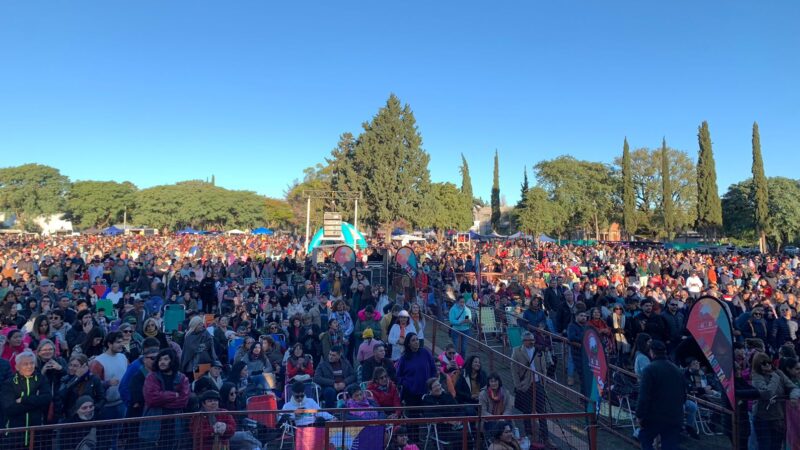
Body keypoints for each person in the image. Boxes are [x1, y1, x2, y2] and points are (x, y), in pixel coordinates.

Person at [635, 340, 685, 450]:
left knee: (644, 438)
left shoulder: (650, 369)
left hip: (655, 416)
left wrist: (639, 415)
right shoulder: (677, 370)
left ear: (651, 352)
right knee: (670, 445)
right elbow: (683, 395)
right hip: (674, 415)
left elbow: (644, 395)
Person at [0, 351, 52, 448]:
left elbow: (47, 398)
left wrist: (23, 400)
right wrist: (36, 402)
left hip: (36, 433)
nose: (29, 366)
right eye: (25, 364)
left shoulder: (41, 379)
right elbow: (9, 409)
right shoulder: (9, 383)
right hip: (14, 434)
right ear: (17, 367)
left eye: (32, 363)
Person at [750, 351, 800, 450]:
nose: (768, 365)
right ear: (758, 365)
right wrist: (775, 377)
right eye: (764, 363)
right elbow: (768, 393)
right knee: (765, 446)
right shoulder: (757, 376)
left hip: (778, 418)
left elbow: (793, 387)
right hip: (763, 418)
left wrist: (793, 397)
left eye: (768, 362)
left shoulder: (778, 372)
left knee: (776, 446)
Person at [142, 348, 191, 449]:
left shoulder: (182, 378)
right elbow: (151, 399)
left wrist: (162, 400)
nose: (162, 362)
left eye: (165, 359)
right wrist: (173, 395)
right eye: (160, 360)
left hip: (175, 424)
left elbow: (183, 401)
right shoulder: (151, 377)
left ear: (172, 361)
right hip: (155, 425)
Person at [57, 353, 106, 421]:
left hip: (90, 416)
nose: (71, 368)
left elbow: (102, 398)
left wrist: (92, 409)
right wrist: (76, 378)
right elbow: (61, 395)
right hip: (71, 418)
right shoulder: (65, 379)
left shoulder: (93, 379)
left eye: (75, 366)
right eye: (70, 365)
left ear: (84, 366)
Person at [396, 333, 436, 413]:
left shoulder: (425, 352)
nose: (416, 342)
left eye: (417, 339)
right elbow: (398, 376)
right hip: (411, 394)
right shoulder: (404, 358)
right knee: (413, 419)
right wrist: (407, 384)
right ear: (408, 343)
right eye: (413, 340)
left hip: (426, 391)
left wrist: (431, 382)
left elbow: (433, 368)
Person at [181, 315, 217, 379]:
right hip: (193, 363)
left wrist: (203, 346)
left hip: (204, 361)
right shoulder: (189, 336)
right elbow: (189, 350)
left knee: (203, 379)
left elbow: (209, 343)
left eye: (202, 324)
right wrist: (200, 347)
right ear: (194, 325)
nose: (202, 326)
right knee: (195, 378)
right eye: (199, 325)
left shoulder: (206, 333)